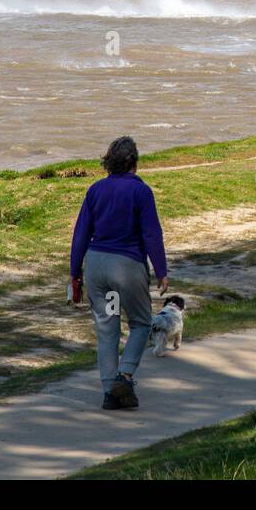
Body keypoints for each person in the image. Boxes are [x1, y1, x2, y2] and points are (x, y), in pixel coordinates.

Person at [69, 136, 169, 410]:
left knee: (107, 328)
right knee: (140, 323)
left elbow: (80, 234)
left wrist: (74, 272)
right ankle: (124, 376)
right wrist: (161, 270)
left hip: (97, 266)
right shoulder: (141, 192)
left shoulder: (95, 190)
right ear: (134, 163)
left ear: (108, 162)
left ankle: (108, 391)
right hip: (126, 266)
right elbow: (151, 233)